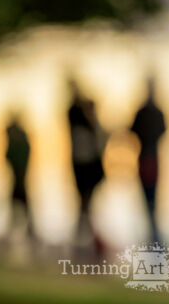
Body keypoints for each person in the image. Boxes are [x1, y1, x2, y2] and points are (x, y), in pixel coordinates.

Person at [68, 83, 106, 253]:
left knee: (87, 208)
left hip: (90, 170)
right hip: (82, 170)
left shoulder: (93, 128)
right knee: (84, 208)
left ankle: (88, 245)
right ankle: (85, 245)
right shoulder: (74, 115)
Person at [130, 79, 166, 243]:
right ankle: (153, 236)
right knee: (150, 200)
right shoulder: (153, 112)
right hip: (149, 158)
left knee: (150, 200)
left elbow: (131, 131)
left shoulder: (147, 112)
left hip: (148, 159)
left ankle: (153, 237)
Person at [5, 116, 32, 240]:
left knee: (21, 204)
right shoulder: (15, 141)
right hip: (17, 179)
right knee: (17, 204)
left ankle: (29, 231)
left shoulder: (20, 142)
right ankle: (23, 231)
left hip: (20, 179)